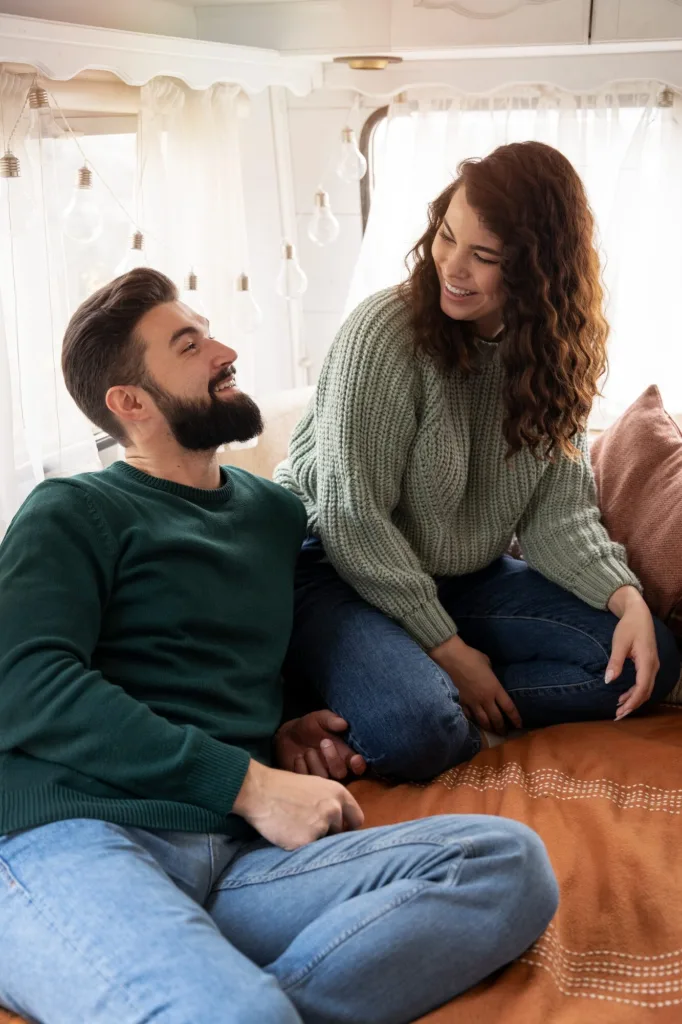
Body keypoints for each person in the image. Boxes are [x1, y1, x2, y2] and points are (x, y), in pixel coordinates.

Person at [0, 268, 558, 1024]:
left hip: (231, 857)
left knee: (507, 865)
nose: (226, 351)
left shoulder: (271, 515)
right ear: (131, 404)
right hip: (70, 836)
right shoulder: (74, 510)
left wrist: (287, 725)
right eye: (190, 345)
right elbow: (25, 685)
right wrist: (251, 784)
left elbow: (215, 654)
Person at [275, 141, 681, 783]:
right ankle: (382, 699)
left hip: (460, 577)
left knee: (649, 656)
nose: (452, 267)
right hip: (338, 568)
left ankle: (411, 696)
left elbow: (559, 518)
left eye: (483, 256)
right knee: (417, 732)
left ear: (537, 272)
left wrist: (624, 595)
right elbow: (351, 518)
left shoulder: (551, 358)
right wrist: (451, 651)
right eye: (446, 237)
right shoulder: (384, 332)